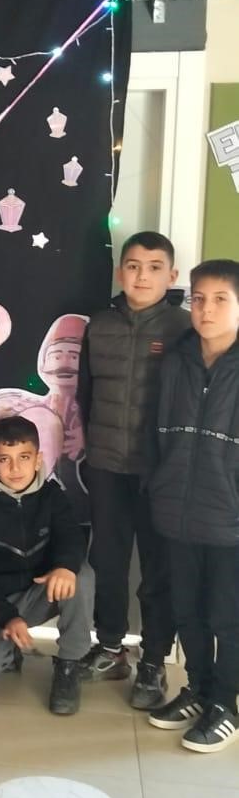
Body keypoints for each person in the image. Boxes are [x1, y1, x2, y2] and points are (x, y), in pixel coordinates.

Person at [77, 231, 189, 707]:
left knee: (158, 569)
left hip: (161, 472)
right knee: (108, 561)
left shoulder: (185, 328)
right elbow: (84, 394)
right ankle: (110, 647)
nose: (142, 276)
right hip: (106, 464)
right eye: (134, 266)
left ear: (171, 275)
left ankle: (153, 661)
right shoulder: (98, 325)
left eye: (154, 267)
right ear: (121, 271)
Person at [147, 258, 239, 752]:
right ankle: (200, 690)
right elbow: (159, 432)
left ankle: (225, 703)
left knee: (228, 618)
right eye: (198, 298)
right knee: (188, 612)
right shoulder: (176, 361)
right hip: (177, 512)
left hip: (230, 520)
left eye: (221, 299)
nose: (206, 309)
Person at [0, 415, 94, 715]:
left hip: (41, 593)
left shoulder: (53, 496)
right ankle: (10, 650)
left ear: (38, 459)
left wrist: (64, 566)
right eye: (4, 459)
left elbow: (72, 538)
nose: (15, 468)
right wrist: (7, 617)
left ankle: (69, 665)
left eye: (23, 457)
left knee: (81, 575)